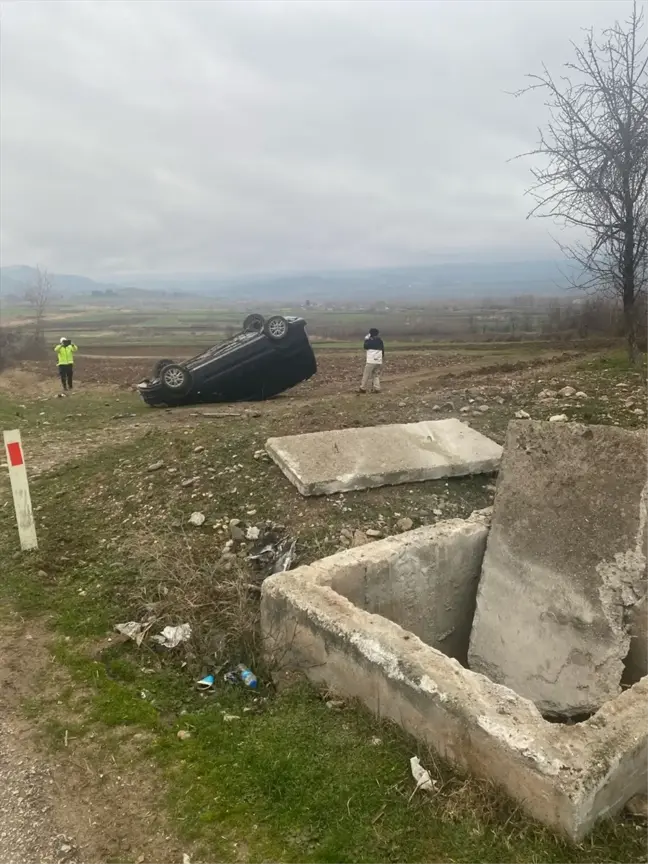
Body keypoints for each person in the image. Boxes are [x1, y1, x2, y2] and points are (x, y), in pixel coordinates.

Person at [359, 327, 384, 393]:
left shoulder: (370, 340)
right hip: (378, 360)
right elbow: (383, 351)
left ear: (370, 333)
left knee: (366, 374)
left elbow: (365, 347)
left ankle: (363, 388)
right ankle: (377, 388)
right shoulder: (380, 340)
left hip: (371, 360)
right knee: (375, 374)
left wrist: (366, 339)